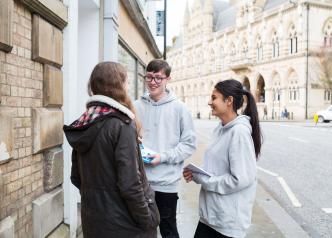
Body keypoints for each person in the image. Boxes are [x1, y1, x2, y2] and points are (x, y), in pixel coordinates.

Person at [63, 62, 160, 238]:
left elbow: (76, 177)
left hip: (94, 221)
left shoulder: (85, 122)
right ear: (119, 85)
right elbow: (130, 185)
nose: (128, 86)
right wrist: (148, 219)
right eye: (127, 82)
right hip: (125, 226)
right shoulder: (121, 124)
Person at [183, 79, 262, 238]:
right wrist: (197, 172)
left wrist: (203, 179)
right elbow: (217, 167)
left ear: (229, 101)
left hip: (226, 224)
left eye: (214, 98)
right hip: (211, 218)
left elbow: (240, 179)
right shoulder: (220, 129)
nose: (209, 102)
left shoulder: (239, 133)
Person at [134, 59, 196, 238]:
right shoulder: (136, 106)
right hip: (139, 182)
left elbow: (189, 144)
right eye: (149, 77)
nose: (153, 82)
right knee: (141, 230)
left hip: (166, 184)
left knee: (168, 230)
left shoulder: (180, 108)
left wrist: (162, 157)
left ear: (168, 79)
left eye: (158, 78)